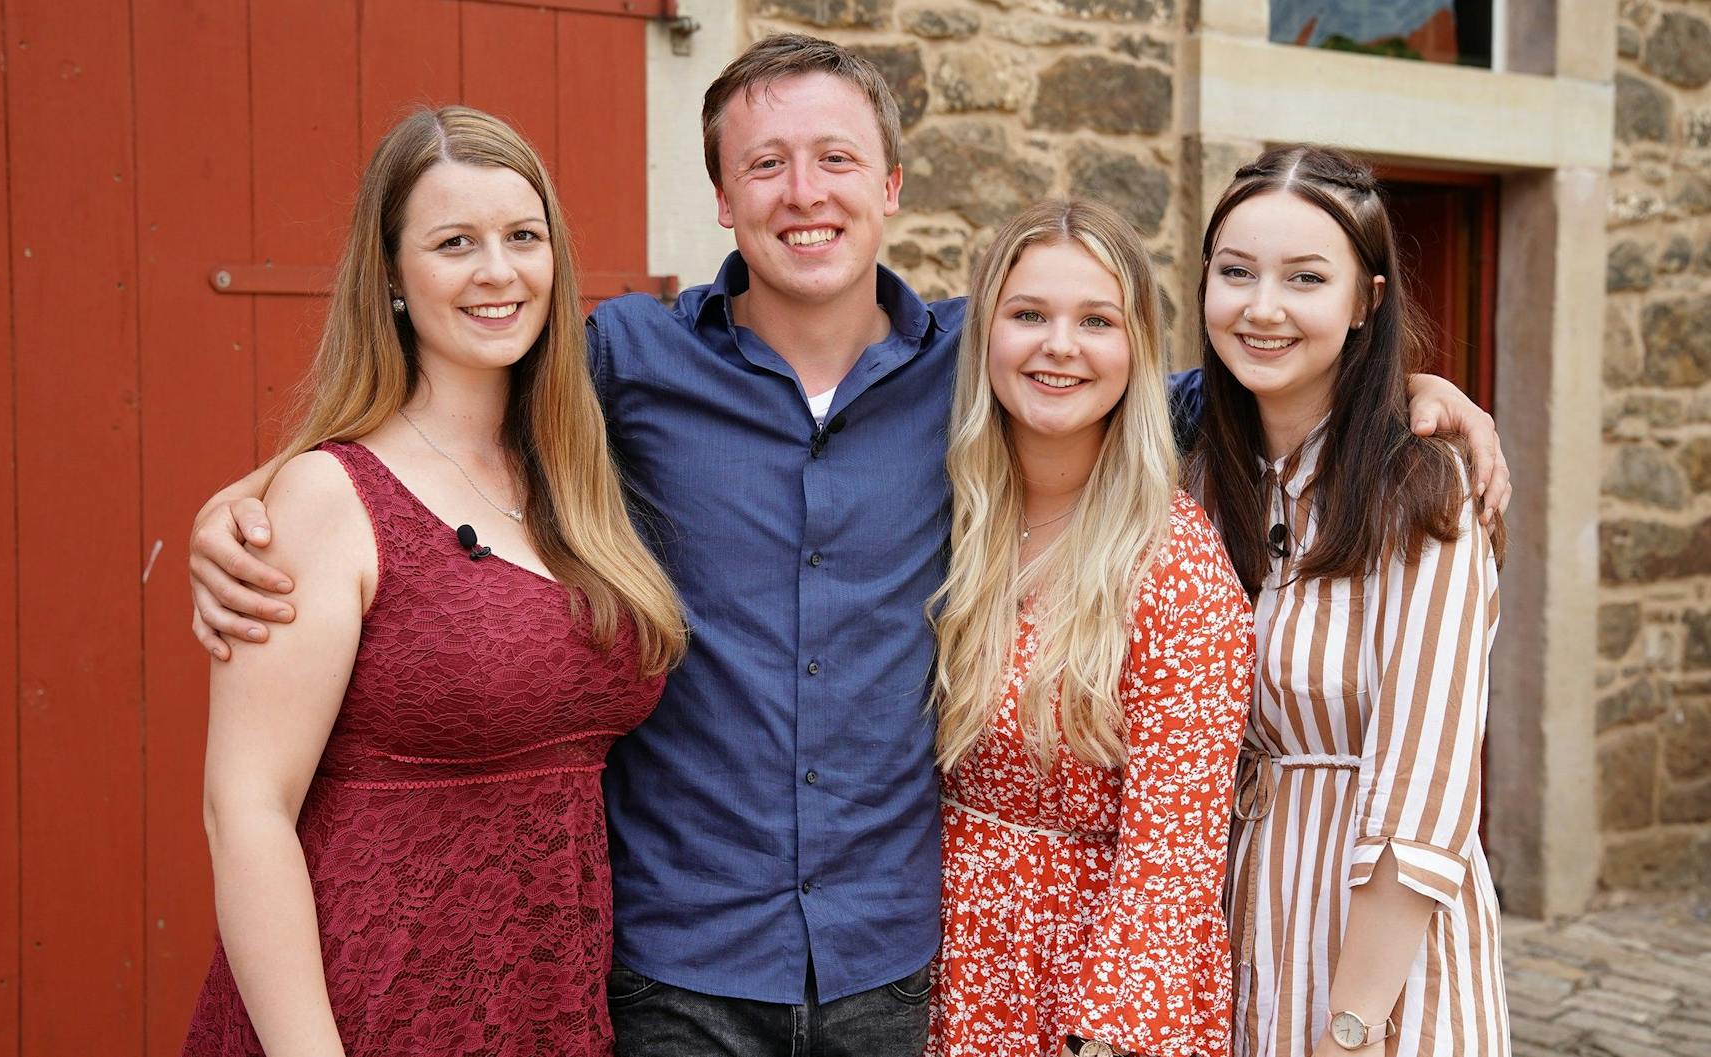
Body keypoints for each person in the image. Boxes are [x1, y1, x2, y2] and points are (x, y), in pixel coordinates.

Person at [185, 36, 1512, 1056]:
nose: (802, 192)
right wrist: (249, 501)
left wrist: (1418, 397)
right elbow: (442, 421)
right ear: (719, 196)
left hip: (899, 965)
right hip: (675, 964)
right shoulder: (621, 371)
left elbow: (1186, 377)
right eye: (765, 164)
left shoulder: (981, 370)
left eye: (833, 161)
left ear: (887, 186)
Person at [180, 106, 685, 1057]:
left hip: (548, 1007)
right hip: (367, 1004)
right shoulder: (330, 497)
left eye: (522, 238)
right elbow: (243, 808)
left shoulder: (573, 480)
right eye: (455, 243)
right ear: (392, 277)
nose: (498, 271)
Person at [1191, 145, 1509, 1057]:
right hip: (1235, 941)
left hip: (1378, 963)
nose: (1262, 307)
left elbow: (1425, 782)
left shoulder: (1423, 488)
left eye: (1305, 278)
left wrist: (1353, 1021)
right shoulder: (1198, 480)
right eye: (1236, 271)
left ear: (1366, 299)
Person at [929, 198, 1253, 1057]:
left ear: (1137, 348)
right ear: (984, 334)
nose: (1059, 345)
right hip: (940, 970)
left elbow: (1172, 858)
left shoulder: (1174, 562)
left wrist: (1103, 1036)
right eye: (1028, 313)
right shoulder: (948, 523)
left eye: (1096, 320)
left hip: (1089, 991)